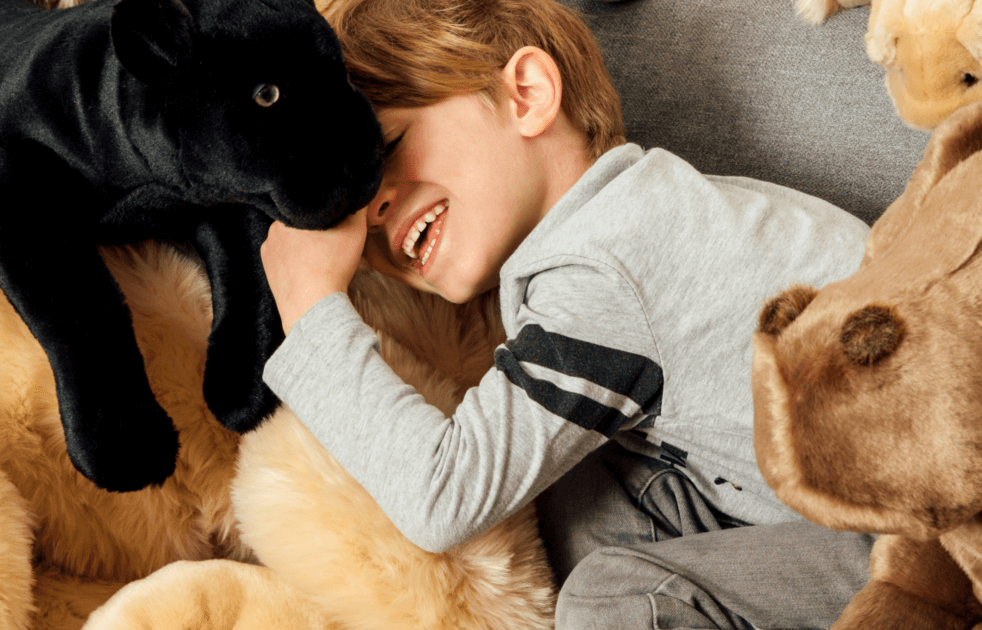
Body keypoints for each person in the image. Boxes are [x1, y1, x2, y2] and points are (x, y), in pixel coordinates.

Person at [257, 0, 878, 628]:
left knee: (609, 599)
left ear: (526, 94)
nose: (375, 213)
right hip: (814, 502)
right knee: (582, 496)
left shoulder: (607, 266)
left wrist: (309, 310)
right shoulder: (636, 213)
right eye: (355, 216)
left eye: (389, 147)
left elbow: (443, 497)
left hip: (929, 539)